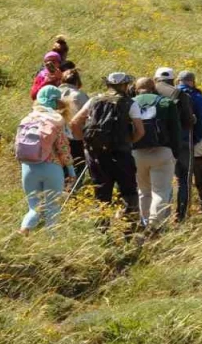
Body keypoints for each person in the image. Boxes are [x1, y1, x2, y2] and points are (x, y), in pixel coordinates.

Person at [71, 72, 143, 224]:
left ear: (108, 85)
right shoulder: (130, 103)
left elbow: (75, 122)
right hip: (122, 154)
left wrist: (84, 142)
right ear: (124, 86)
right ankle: (129, 230)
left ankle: (102, 232)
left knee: (101, 194)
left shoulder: (94, 100)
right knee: (128, 192)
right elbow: (140, 131)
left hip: (97, 154)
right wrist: (129, 141)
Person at [14, 85, 74, 233]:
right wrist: (71, 171)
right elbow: (63, 148)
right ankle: (51, 242)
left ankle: (24, 230)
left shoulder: (27, 118)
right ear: (56, 102)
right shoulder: (56, 120)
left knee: (34, 207)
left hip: (28, 167)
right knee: (52, 207)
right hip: (52, 167)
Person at [132, 78, 182, 230]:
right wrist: (175, 153)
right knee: (160, 191)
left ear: (136, 88)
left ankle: (144, 222)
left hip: (137, 152)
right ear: (154, 87)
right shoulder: (166, 102)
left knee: (143, 191)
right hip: (162, 151)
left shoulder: (130, 102)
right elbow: (176, 131)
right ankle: (155, 225)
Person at [153, 68, 197, 219]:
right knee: (182, 178)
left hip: (152, 143)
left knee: (157, 183)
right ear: (173, 80)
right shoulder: (179, 94)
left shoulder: (146, 92)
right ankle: (181, 215)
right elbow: (188, 121)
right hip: (180, 142)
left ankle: (157, 216)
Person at [176, 71, 202, 217]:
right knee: (201, 174)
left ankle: (180, 211)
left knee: (181, 178)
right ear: (192, 81)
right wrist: (197, 138)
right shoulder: (196, 96)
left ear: (179, 81)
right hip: (192, 142)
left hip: (173, 143)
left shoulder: (171, 94)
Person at [59, 69, 89, 181]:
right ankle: (74, 191)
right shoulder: (80, 95)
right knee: (77, 166)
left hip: (56, 136)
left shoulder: (54, 93)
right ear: (77, 81)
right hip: (76, 136)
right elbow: (88, 116)